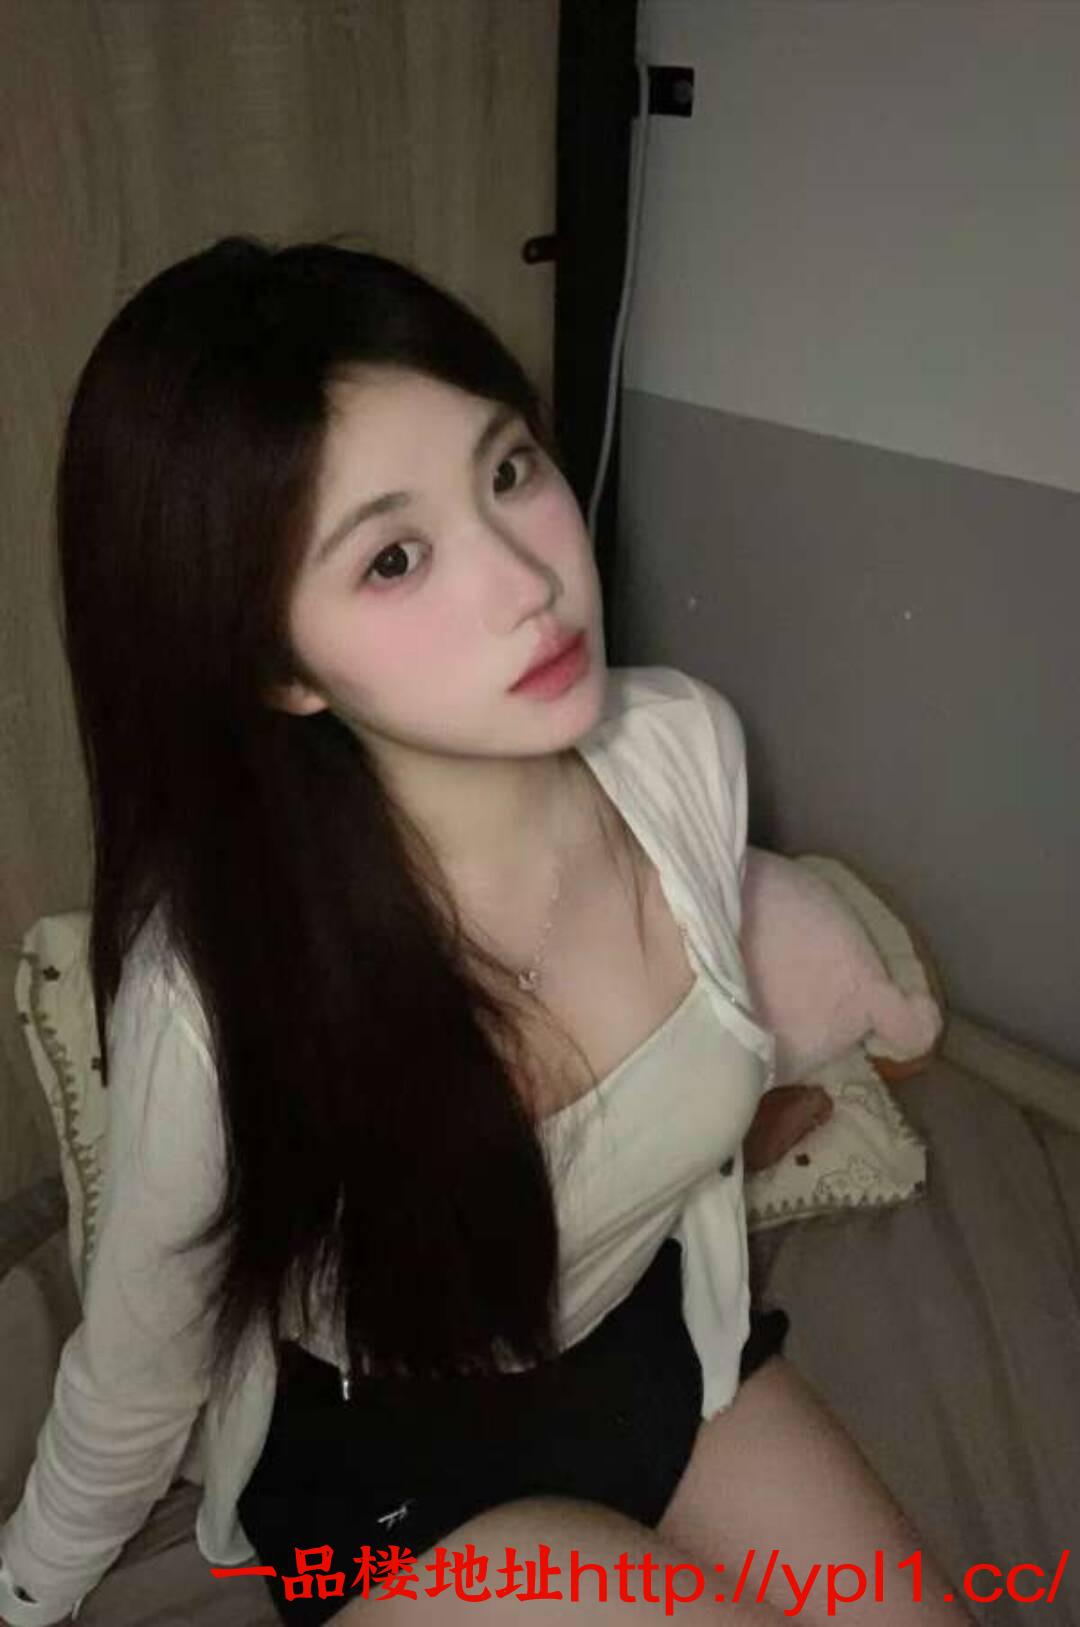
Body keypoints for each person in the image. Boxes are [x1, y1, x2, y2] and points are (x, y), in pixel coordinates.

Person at [0, 237, 975, 1627]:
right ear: (277, 666)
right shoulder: (220, 983)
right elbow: (142, 1355)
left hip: (648, 1348)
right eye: (395, 557)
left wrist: (729, 1132)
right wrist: (25, 1591)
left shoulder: (684, 749)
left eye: (509, 469)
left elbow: (675, 1095)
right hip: (387, 1469)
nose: (526, 579)